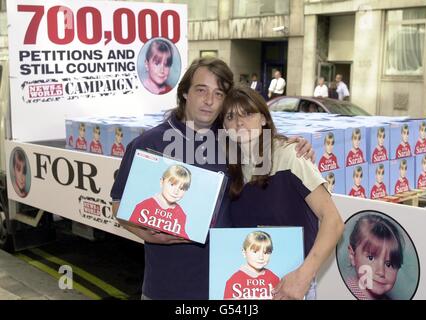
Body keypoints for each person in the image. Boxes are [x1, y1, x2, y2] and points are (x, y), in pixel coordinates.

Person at [110, 57, 314, 300]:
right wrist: (146, 234)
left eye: (218, 94)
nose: (209, 101)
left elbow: (266, 140)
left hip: (229, 290)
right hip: (167, 288)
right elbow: (118, 204)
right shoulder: (148, 144)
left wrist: (295, 144)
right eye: (201, 90)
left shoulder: (235, 142)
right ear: (185, 92)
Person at [221, 85, 344, 300]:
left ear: (263, 119)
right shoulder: (227, 167)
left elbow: (332, 221)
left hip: (291, 285)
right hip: (246, 287)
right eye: (230, 117)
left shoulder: (291, 156)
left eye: (247, 113)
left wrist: (304, 276)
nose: (239, 123)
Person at [346, 214, 403, 300]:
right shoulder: (342, 291)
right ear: (352, 255)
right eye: (371, 258)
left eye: (388, 264)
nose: (381, 272)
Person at [129, 165, 191, 240]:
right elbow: (132, 225)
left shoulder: (181, 214)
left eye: (181, 188)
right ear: (162, 182)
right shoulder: (143, 206)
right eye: (172, 184)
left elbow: (183, 236)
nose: (176, 191)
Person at [223, 231, 280, 300]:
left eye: (266, 253)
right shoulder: (234, 281)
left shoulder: (274, 278)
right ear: (244, 253)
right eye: (255, 252)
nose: (261, 257)